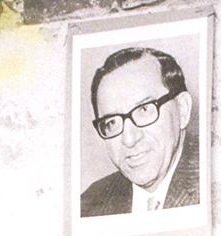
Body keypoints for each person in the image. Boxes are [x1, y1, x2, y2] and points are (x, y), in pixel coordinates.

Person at [81, 47, 198, 217]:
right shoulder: (88, 204)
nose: (129, 139)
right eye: (111, 122)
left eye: (144, 109)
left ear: (182, 109)